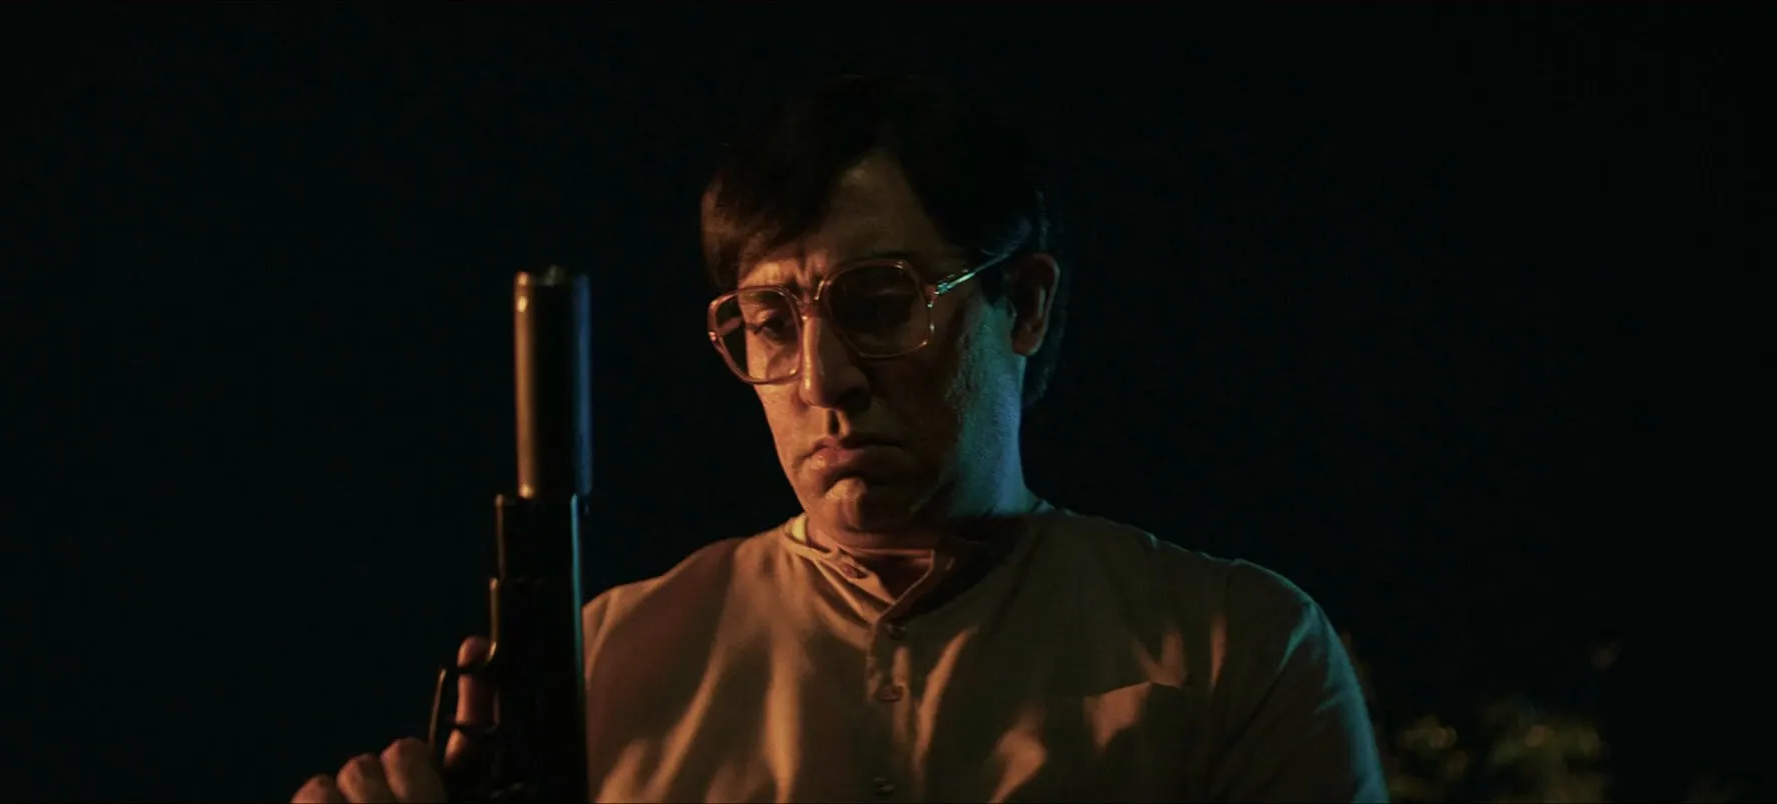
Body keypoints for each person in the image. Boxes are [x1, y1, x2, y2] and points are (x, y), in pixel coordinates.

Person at [293, 73, 1388, 803]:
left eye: (880, 303)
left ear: (1023, 303)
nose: (823, 379)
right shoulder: (609, 661)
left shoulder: (1234, 654)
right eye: (772, 321)